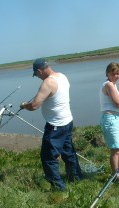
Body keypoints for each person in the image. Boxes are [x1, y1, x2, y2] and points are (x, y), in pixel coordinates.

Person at [20, 58, 83, 191]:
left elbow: (34, 105)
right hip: (67, 121)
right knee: (68, 152)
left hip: (56, 126)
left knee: (48, 157)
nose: (37, 77)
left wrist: (24, 105)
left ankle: (58, 188)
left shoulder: (48, 83)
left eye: (36, 74)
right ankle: (76, 178)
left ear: (39, 70)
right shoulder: (62, 76)